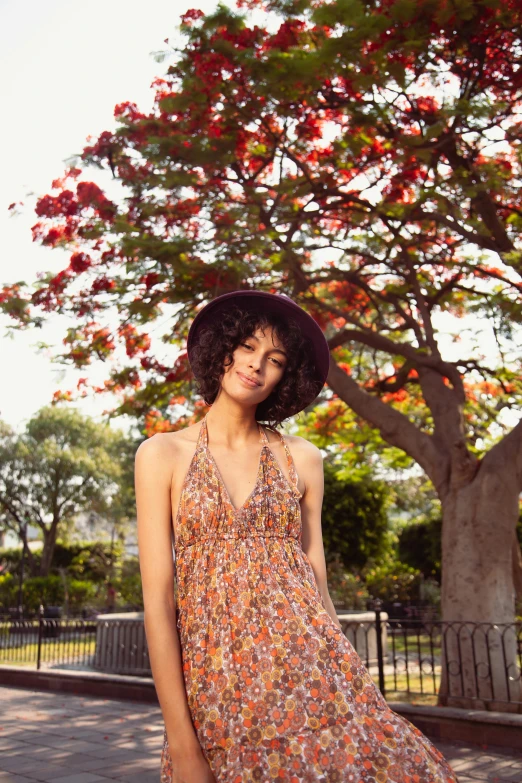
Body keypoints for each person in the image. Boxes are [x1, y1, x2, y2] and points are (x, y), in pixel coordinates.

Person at [135, 290, 457, 783]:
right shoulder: (162, 455)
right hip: (219, 685)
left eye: (275, 359)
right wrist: (182, 744)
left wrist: (357, 688)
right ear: (221, 348)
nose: (255, 366)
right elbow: (158, 605)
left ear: (287, 376)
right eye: (246, 346)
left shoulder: (302, 457)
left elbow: (317, 582)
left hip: (313, 673)